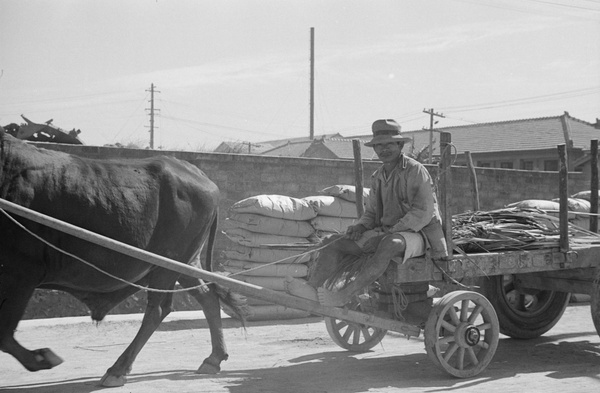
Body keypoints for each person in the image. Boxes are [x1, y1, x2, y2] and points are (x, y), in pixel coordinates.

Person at [286, 119, 448, 310]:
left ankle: (345, 294)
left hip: (420, 235)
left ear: (400, 145)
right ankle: (313, 289)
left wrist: (385, 235)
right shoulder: (379, 176)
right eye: (379, 145)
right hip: (387, 232)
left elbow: (422, 213)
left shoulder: (415, 171)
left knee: (390, 244)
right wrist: (360, 226)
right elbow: (371, 212)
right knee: (332, 241)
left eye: (389, 144)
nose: (383, 149)